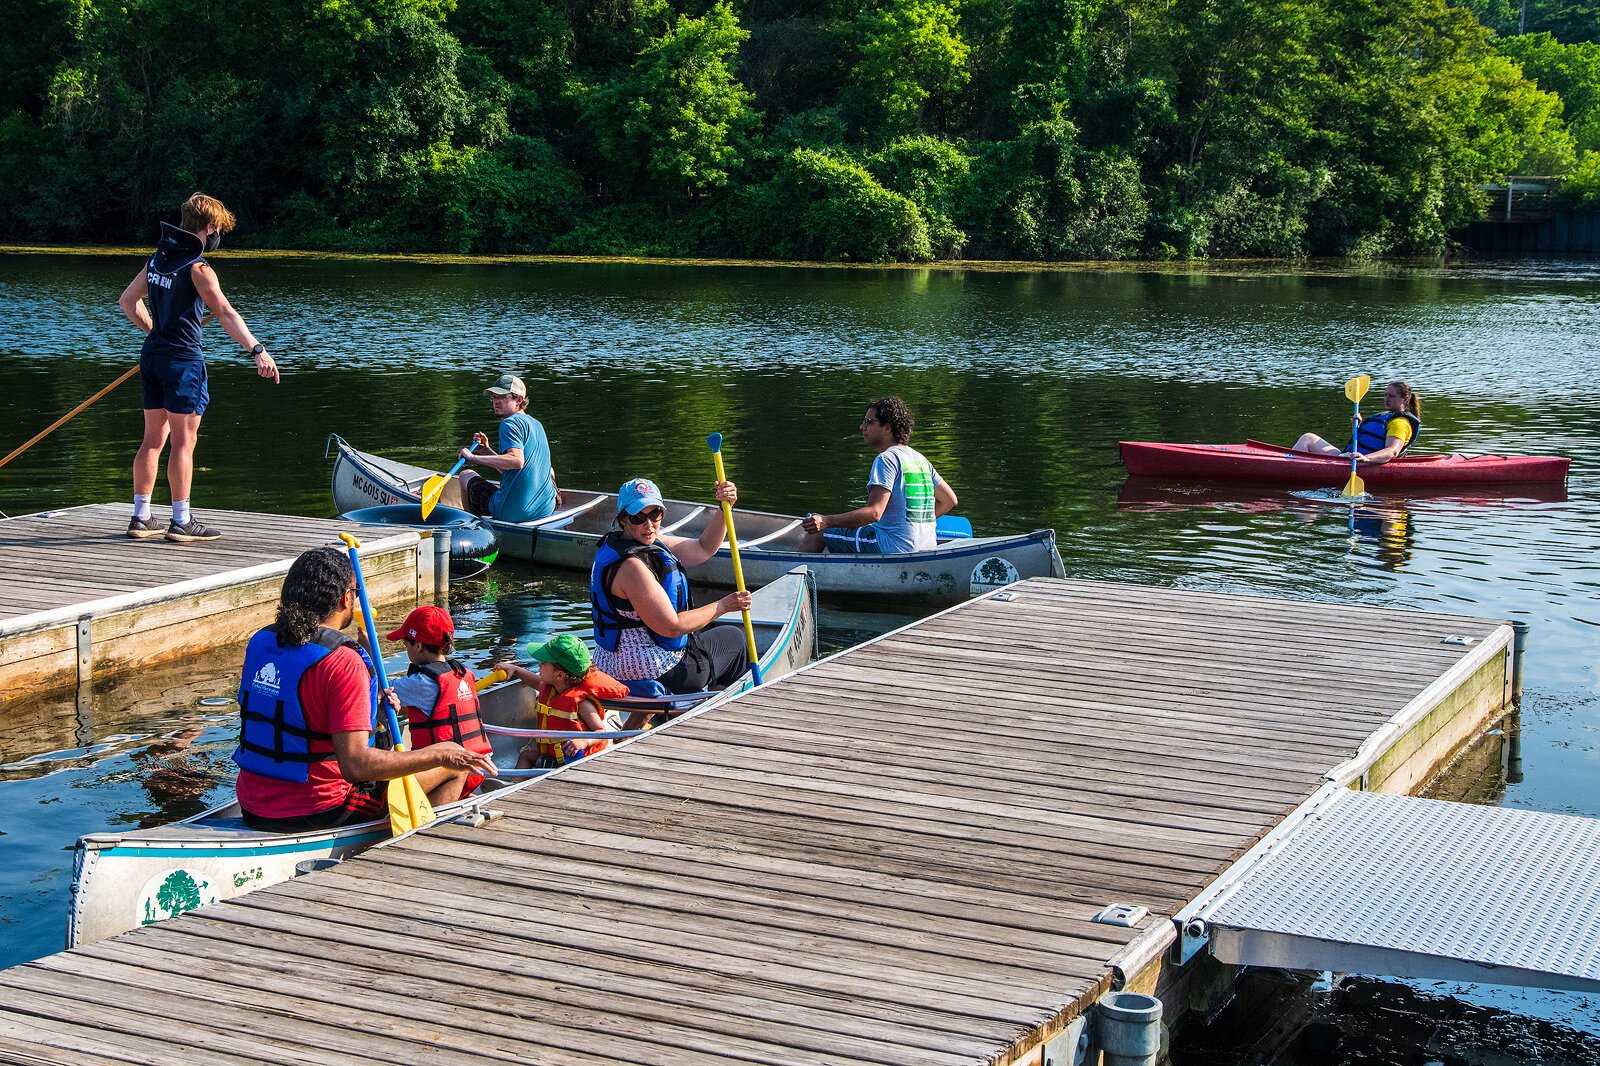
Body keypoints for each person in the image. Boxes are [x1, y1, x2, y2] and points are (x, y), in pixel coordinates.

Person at [233, 547, 497, 831]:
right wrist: (442, 755)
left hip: (252, 803)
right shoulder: (344, 660)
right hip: (321, 809)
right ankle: (420, 844)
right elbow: (356, 766)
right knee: (453, 760)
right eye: (355, 592)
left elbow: (298, 712)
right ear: (347, 598)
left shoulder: (260, 641)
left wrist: (370, 708)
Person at [118, 192, 279, 542]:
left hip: (154, 356)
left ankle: (141, 517)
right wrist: (257, 350)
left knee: (152, 440)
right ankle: (181, 521)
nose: (218, 235)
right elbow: (225, 313)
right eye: (218, 229)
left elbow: (128, 301)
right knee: (183, 442)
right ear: (208, 228)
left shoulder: (158, 259)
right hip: (182, 361)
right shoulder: (198, 268)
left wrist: (154, 331)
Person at [590, 477, 753, 694]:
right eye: (638, 518)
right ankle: (711, 708)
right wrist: (724, 605)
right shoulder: (631, 567)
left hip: (612, 660)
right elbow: (671, 626)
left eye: (655, 514)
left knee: (707, 629)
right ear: (623, 520)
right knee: (735, 639)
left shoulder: (641, 544)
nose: (649, 525)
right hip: (648, 666)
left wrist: (724, 509)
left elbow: (704, 548)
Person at [800, 396, 958, 553]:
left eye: (869, 422)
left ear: (887, 428)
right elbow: (949, 500)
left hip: (892, 546)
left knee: (817, 533)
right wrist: (914, 524)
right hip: (926, 546)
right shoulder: (920, 459)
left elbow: (874, 513)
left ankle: (792, 573)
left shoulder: (887, 459)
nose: (862, 427)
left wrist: (827, 521)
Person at [385, 605, 494, 801]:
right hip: (479, 769)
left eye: (406, 645)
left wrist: (366, 650)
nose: (407, 650)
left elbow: (378, 688)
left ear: (418, 646)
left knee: (383, 780)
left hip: (450, 772)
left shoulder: (422, 683)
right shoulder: (462, 673)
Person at [500, 633, 630, 769]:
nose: (539, 665)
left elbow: (600, 731)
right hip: (554, 755)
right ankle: (514, 783)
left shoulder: (582, 703)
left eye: (543, 663)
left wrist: (584, 742)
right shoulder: (552, 687)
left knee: (532, 758)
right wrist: (515, 670)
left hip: (576, 758)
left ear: (560, 675)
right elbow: (536, 681)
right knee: (525, 756)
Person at [457, 373, 558, 524]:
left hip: (513, 513)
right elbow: (514, 469)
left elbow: (516, 461)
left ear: (519, 399)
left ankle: (472, 526)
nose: (496, 401)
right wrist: (486, 451)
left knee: (465, 475)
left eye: (502, 397)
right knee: (549, 471)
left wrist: (473, 458)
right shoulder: (537, 424)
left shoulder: (509, 424)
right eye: (494, 397)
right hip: (545, 509)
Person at [1292, 381, 1423, 466]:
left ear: (1405, 399)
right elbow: (1365, 441)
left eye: (1391, 396)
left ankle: (1290, 468)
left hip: (1364, 464)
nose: (1386, 399)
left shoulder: (1400, 423)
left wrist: (1366, 458)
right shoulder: (1385, 417)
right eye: (1385, 395)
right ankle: (1288, 464)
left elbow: (1392, 451)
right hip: (1349, 458)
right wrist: (1357, 428)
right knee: (1308, 438)